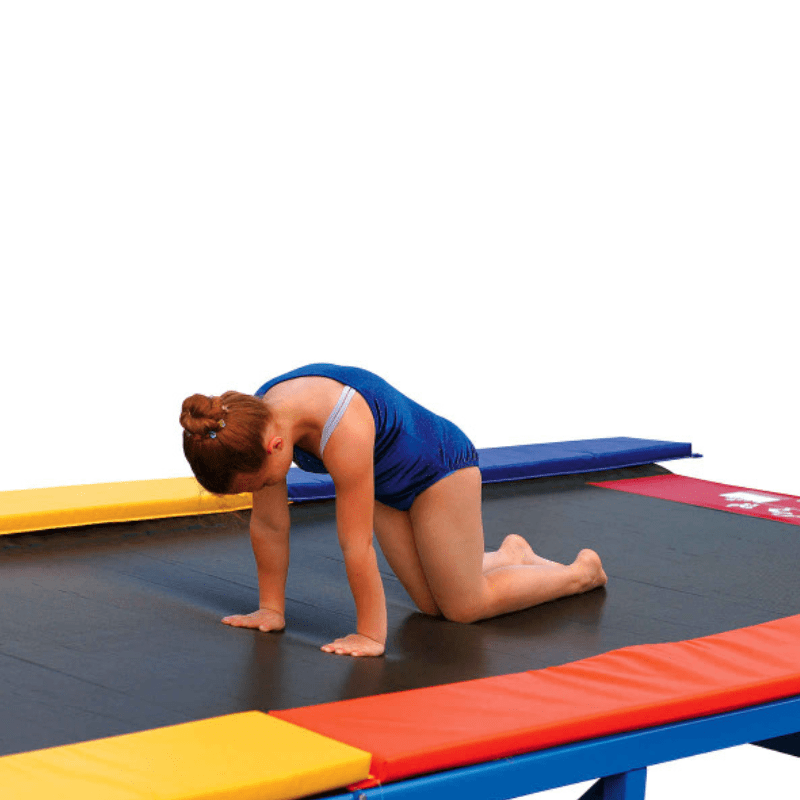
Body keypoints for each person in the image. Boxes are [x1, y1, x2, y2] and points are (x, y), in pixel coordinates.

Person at [180, 364, 607, 658]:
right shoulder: (251, 426)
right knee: (430, 604)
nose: (264, 490)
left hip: (440, 470)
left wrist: (370, 634)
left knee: (464, 607)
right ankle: (512, 554)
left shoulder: (342, 426)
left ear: (275, 446)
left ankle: (580, 573)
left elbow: (356, 542)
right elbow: (270, 524)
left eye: (261, 483)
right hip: (386, 485)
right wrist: (270, 609)